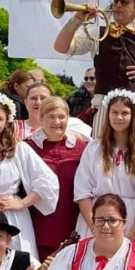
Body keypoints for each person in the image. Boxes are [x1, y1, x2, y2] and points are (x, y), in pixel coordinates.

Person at [0, 93, 59, 263]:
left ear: (7, 122)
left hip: (9, 215)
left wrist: (22, 203)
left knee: (14, 266)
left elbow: (48, 181)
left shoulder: (17, 149)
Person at [73, 90, 135, 244]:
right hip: (98, 219)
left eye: (124, 113)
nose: (119, 117)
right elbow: (82, 192)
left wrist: (133, 234)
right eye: (114, 112)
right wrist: (94, 227)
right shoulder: (94, 148)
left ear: (133, 116)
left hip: (132, 222)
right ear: (108, 114)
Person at [27, 97, 88, 260]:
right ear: (40, 118)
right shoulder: (27, 147)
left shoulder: (82, 148)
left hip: (72, 222)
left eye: (61, 117)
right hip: (38, 223)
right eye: (50, 117)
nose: (57, 121)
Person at [14, 82, 90, 142]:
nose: (38, 102)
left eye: (43, 98)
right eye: (33, 98)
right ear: (25, 101)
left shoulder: (72, 124)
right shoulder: (13, 128)